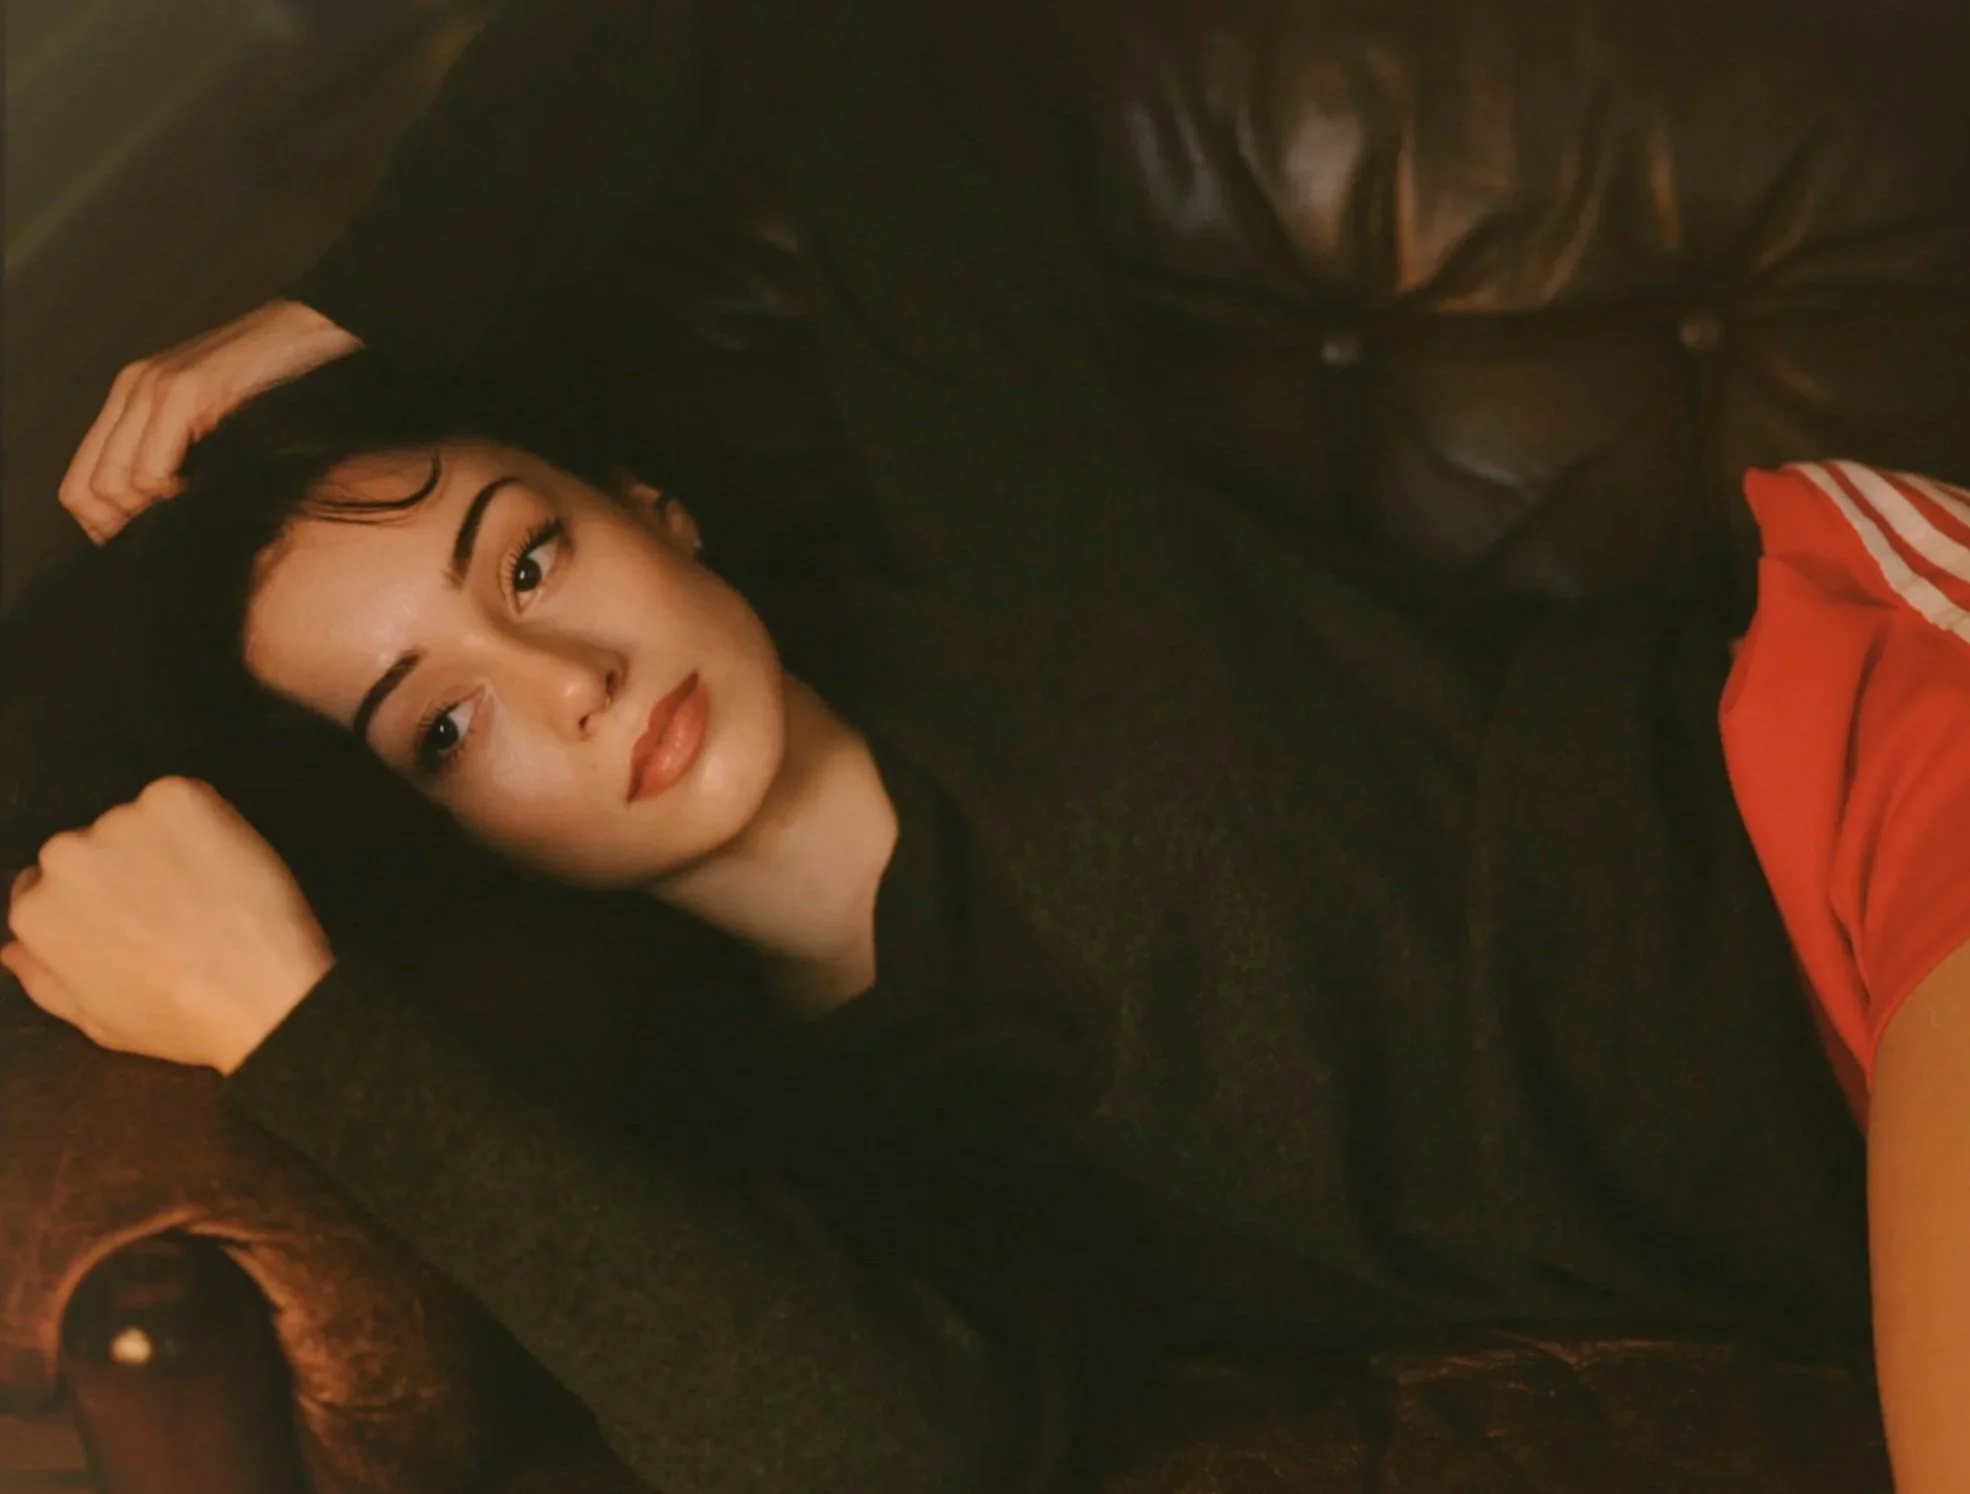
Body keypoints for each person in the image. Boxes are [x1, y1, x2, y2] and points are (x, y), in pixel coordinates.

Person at [12, 2, 1970, 1492]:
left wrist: (356, 297)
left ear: (653, 510)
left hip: (1858, 775)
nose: (568, 675)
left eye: (528, 557)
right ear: (451, 835)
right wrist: (296, 1028)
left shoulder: (1009, 537)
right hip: (1830, 1170)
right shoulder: (785, 1134)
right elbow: (889, 1452)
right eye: (445, 725)